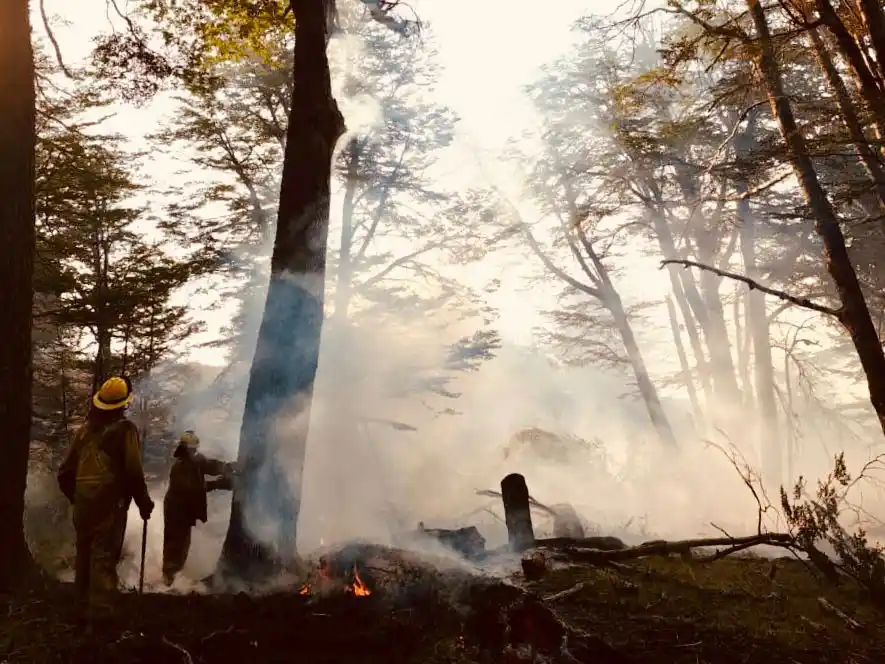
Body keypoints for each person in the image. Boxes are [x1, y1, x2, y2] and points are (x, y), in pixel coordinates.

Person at [57, 376, 154, 619]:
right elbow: (133, 471)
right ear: (123, 404)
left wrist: (77, 498)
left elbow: (64, 473)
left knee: (84, 555)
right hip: (109, 506)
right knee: (102, 558)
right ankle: (100, 618)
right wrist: (144, 503)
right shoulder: (125, 430)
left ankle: (80, 608)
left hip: (83, 507)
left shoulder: (85, 431)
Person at [162, 430, 235, 585]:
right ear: (185, 449)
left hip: (185, 511)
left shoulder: (196, 460)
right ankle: (169, 578)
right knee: (175, 544)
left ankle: (174, 577)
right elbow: (191, 490)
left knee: (183, 544)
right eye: (192, 449)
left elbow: (211, 466)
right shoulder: (179, 468)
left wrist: (229, 467)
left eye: (195, 448)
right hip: (175, 511)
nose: (194, 451)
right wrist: (217, 484)